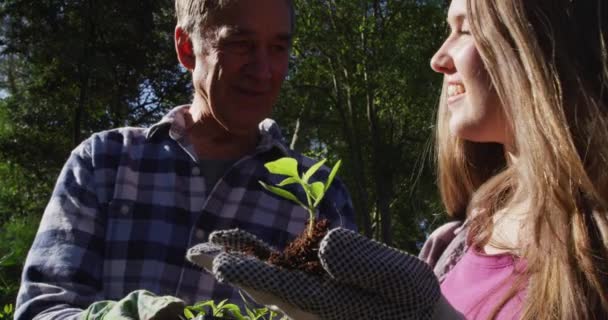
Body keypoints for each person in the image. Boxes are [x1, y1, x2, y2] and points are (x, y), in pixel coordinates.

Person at [188, 0, 608, 319]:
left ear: (540, 46)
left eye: (465, 30)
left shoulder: (598, 248)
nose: (438, 58)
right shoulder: (454, 245)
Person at [14, 0, 356, 319]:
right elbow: (42, 307)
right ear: (186, 46)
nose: (264, 71)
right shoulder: (106, 161)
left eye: (278, 48)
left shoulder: (318, 193)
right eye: (240, 43)